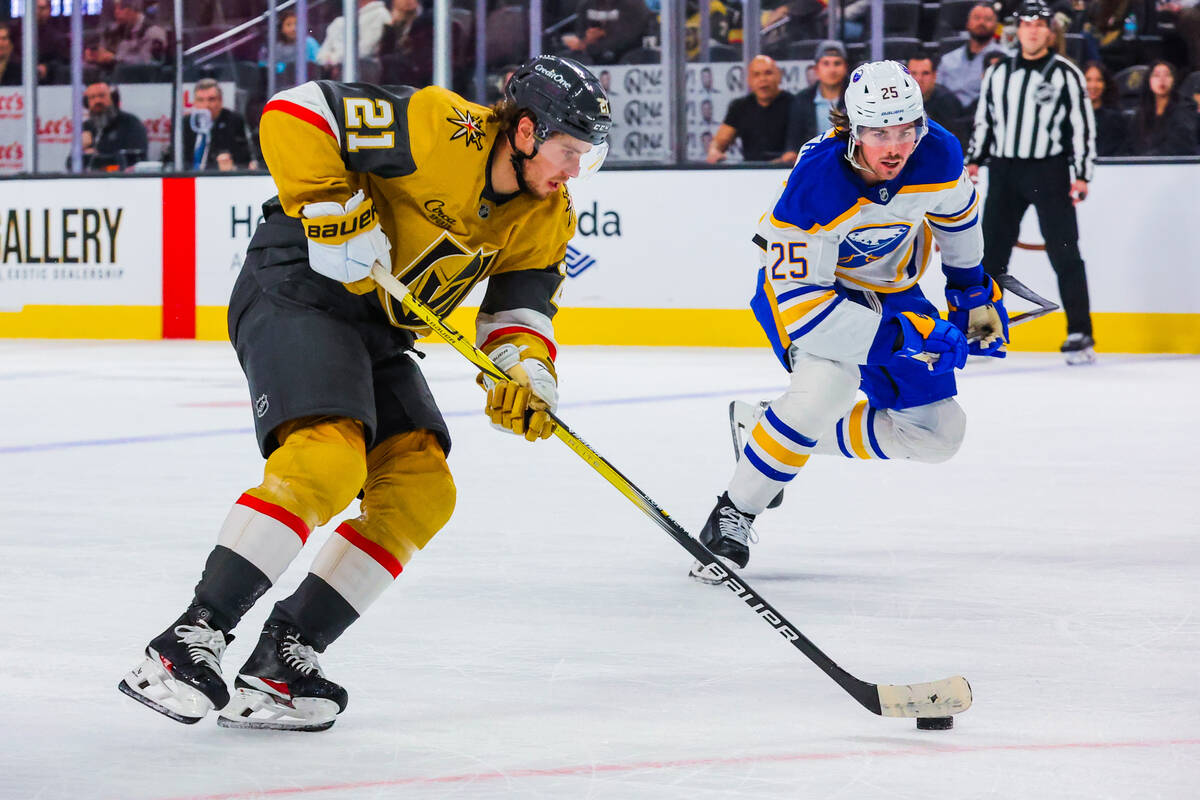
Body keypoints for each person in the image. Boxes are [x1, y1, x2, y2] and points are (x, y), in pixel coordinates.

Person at [117, 55, 612, 732]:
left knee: (422, 490)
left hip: (377, 328)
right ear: (526, 132)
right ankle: (189, 638)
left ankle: (282, 657)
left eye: (586, 156)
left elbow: (517, 316)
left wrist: (525, 373)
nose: (574, 171)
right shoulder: (442, 126)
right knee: (327, 461)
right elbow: (296, 111)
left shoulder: (547, 216)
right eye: (568, 151)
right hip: (299, 287)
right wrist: (332, 209)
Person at [689, 60, 1006, 582]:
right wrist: (910, 334)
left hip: (892, 292)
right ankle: (733, 514)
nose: (895, 147)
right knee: (826, 390)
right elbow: (808, 314)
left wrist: (969, 290)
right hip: (811, 295)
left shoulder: (938, 151)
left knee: (937, 433)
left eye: (906, 129)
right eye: (880, 132)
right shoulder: (815, 185)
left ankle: (769, 427)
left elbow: (959, 216)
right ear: (853, 130)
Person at [966, 0, 1097, 365]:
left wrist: (1082, 174)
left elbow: (1082, 126)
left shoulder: (1066, 74)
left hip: (1048, 170)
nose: (1033, 31)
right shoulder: (998, 72)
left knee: (1065, 251)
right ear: (1018, 29)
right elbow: (985, 120)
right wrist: (974, 158)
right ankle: (985, 331)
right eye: (1027, 24)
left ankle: (1080, 332)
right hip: (1004, 169)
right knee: (991, 255)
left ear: (1049, 31)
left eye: (1040, 24)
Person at [707, 54, 794, 163]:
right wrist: (714, 151)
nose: (763, 79)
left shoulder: (794, 104)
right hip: (751, 169)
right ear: (749, 81)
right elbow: (720, 142)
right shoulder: (740, 106)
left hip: (787, 169)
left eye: (768, 73)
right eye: (756, 75)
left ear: (779, 77)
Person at [782, 40, 848, 161]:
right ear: (816, 69)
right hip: (812, 163)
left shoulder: (856, 98)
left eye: (837, 63)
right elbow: (793, 142)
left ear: (845, 67)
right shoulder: (802, 100)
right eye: (826, 64)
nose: (832, 69)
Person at [939, 3, 1008, 109]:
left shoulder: (1006, 58)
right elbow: (936, 91)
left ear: (996, 26)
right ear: (967, 23)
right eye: (976, 18)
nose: (981, 22)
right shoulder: (947, 60)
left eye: (988, 19)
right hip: (948, 112)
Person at [1128, 59, 1199, 155]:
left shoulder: (1185, 111)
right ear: (1148, 81)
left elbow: (1180, 144)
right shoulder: (1139, 115)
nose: (1162, 79)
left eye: (1167, 75)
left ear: (1174, 80)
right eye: (1156, 75)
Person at [181, 79, 254, 171]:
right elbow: (173, 157)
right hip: (188, 176)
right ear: (194, 103)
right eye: (200, 100)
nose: (206, 105)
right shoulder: (185, 123)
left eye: (211, 99)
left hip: (219, 176)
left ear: (220, 101)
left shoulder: (233, 121)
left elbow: (245, 159)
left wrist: (232, 165)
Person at [85, 0, 168, 75]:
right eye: (115, 8)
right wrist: (96, 57)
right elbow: (105, 53)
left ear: (133, 9)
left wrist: (114, 59)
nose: (116, 12)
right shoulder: (114, 31)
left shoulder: (153, 32)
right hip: (114, 80)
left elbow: (147, 63)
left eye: (121, 8)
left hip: (142, 82)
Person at [79, 81, 148, 171]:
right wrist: (80, 149)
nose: (97, 101)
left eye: (102, 96)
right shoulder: (86, 126)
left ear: (113, 99)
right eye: (92, 97)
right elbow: (70, 163)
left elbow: (134, 159)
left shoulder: (130, 123)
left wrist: (97, 156)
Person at [561, 0, 652, 65]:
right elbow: (581, 31)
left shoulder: (633, 4)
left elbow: (626, 37)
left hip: (629, 55)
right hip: (593, 55)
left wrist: (587, 43)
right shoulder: (587, 4)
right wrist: (585, 40)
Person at [316, 0, 391, 78]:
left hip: (364, 74)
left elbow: (366, 50)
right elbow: (320, 56)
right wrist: (330, 61)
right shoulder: (339, 22)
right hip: (337, 75)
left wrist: (334, 59)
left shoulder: (380, 14)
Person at [907, 51, 968, 147]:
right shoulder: (900, 101)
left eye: (925, 73)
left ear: (934, 76)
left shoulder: (947, 102)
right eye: (914, 73)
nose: (919, 79)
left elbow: (952, 141)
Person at [378, 0, 435, 87]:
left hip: (421, 75)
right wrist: (393, 27)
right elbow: (384, 53)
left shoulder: (427, 23)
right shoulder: (393, 23)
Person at [1083, 60, 1132, 155]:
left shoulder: (1116, 120)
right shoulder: (1072, 118)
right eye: (1088, 80)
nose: (1093, 85)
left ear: (1105, 84)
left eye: (1099, 80)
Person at [259, 10, 320, 75]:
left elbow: (318, 61)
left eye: (296, 24)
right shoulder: (278, 47)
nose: (293, 28)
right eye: (288, 25)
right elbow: (271, 66)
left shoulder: (309, 42)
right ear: (281, 29)